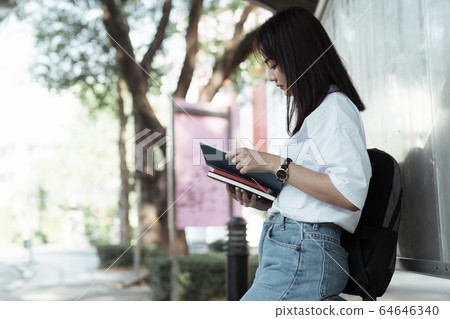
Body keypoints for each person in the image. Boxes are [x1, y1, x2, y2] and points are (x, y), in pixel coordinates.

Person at [224, 7, 372, 301]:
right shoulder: (315, 113)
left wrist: (274, 163)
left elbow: (349, 192)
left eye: (274, 64)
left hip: (305, 251)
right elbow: (309, 197)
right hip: (292, 249)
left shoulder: (335, 108)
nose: (269, 76)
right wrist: (260, 200)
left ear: (298, 57)